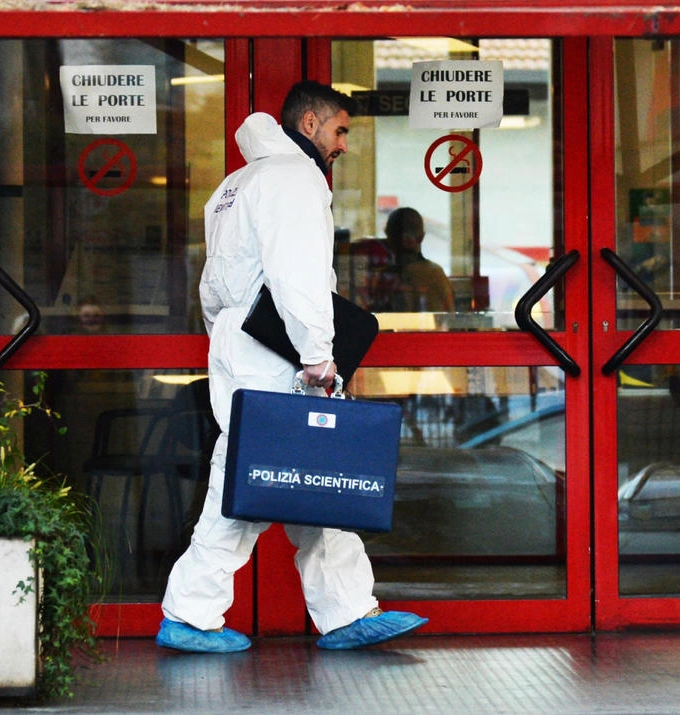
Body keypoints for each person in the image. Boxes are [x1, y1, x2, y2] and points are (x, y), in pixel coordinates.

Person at [157, 80, 428, 653]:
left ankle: (348, 610)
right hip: (280, 349)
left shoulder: (234, 186)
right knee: (255, 475)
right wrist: (317, 357)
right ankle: (190, 613)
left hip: (240, 338)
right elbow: (298, 276)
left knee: (309, 472)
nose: (344, 145)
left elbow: (212, 287)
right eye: (340, 130)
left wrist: (225, 339)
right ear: (309, 124)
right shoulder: (295, 180)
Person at [383, 207, 455, 313]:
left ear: (388, 238)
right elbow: (451, 316)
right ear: (421, 237)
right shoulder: (435, 274)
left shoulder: (383, 277)